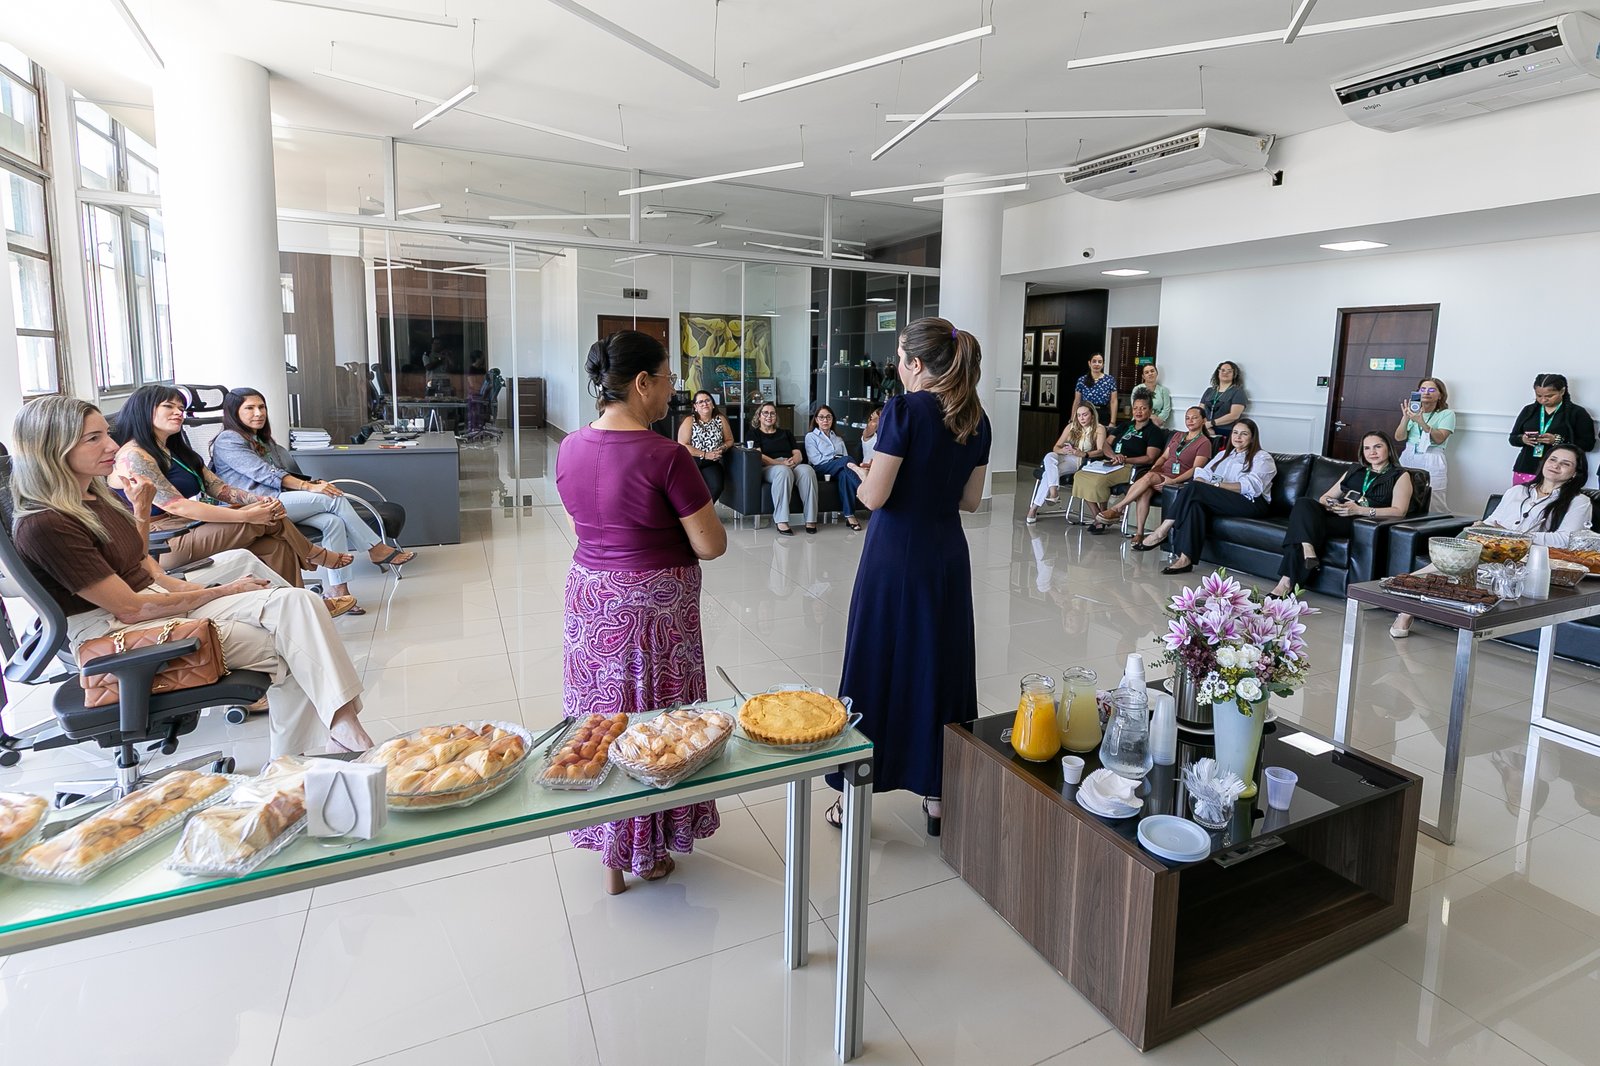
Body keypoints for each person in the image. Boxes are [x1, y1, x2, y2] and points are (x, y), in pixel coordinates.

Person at [10, 396, 372, 758]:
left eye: (107, 434)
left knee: (299, 608)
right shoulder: (47, 524)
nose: (113, 445)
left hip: (150, 609)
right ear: (53, 447)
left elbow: (136, 562)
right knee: (297, 641)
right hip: (117, 634)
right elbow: (130, 610)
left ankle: (322, 746)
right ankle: (315, 750)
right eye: (94, 439)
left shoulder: (93, 495)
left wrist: (138, 511)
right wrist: (220, 591)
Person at [555, 331, 728, 895]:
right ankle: (646, 847)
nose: (673, 390)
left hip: (590, 596)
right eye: (669, 378)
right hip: (651, 608)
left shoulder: (569, 447)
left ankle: (610, 847)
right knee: (654, 722)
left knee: (603, 715)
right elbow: (710, 544)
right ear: (642, 383)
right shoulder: (666, 456)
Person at [826, 317, 990, 837]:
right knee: (940, 665)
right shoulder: (976, 418)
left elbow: (874, 498)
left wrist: (860, 476)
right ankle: (940, 795)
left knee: (878, 663)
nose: (897, 365)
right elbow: (969, 500)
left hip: (896, 555)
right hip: (945, 554)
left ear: (916, 365)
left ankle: (855, 799)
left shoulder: (906, 409)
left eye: (901, 356)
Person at [108, 385, 359, 615]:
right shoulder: (133, 456)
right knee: (260, 519)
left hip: (186, 527)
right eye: (169, 407)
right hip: (161, 542)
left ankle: (300, 608)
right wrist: (246, 515)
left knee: (276, 545)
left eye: (181, 408)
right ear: (144, 410)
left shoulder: (176, 451)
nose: (178, 413)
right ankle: (315, 555)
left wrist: (260, 502)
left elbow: (219, 488)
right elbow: (177, 505)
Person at [211, 388, 417, 614]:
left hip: (279, 500)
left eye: (261, 407)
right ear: (233, 412)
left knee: (332, 522)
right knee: (333, 499)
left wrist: (312, 482)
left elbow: (279, 470)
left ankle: (339, 592)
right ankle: (376, 549)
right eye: (249, 408)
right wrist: (309, 487)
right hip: (255, 506)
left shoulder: (261, 439)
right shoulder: (228, 439)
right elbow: (263, 473)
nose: (258, 413)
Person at [1392, 444, 1593, 636]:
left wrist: (1513, 536)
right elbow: (1491, 522)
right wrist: (1482, 526)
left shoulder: (1578, 501)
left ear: (1575, 473)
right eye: (1553, 459)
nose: (1556, 466)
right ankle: (1408, 597)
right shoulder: (1517, 491)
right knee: (1464, 546)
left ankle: (1405, 595)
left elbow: (1566, 540)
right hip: (1489, 546)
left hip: (1524, 555)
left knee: (1456, 560)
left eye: (1565, 464)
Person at [1269, 431, 1414, 596]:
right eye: (1367, 448)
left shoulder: (1400, 476)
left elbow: (1399, 511)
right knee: (1303, 502)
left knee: (1300, 528)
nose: (1372, 452)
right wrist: (1333, 505)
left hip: (1358, 522)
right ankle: (1306, 547)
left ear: (1389, 448)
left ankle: (1284, 583)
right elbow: (1325, 497)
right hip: (1337, 514)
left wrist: (1359, 510)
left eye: (1377, 447)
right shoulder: (1355, 470)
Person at [1142, 418, 1277, 574]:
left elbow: (1251, 487)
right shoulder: (1223, 455)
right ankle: (1185, 559)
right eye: (1235, 433)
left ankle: (1162, 530)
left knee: (1196, 489)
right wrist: (1203, 483)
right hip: (1225, 498)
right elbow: (1203, 474)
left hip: (1252, 503)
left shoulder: (1262, 458)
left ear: (1252, 438)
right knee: (1195, 503)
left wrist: (1215, 486)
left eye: (1244, 434)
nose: (1238, 437)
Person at [1099, 405, 1214, 545]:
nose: (1190, 421)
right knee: (1145, 491)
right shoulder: (1178, 435)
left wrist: (1173, 481)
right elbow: (1164, 457)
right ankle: (1140, 533)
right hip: (1161, 473)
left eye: (1194, 418)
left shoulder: (1204, 442)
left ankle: (1118, 508)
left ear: (1203, 420)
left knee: (1148, 477)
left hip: (1178, 479)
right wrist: (1155, 467)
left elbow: (1196, 469)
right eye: (1187, 418)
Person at [1077, 397, 1164, 531]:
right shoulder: (1125, 426)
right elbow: (1106, 443)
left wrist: (1125, 459)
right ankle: (1099, 516)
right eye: (1135, 408)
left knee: (1098, 481)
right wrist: (1114, 456)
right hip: (1110, 462)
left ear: (1150, 410)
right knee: (1080, 475)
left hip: (1130, 467)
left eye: (1143, 408)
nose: (1138, 411)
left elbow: (1149, 458)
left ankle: (1101, 520)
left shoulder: (1154, 432)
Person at [1508, 373, 1596, 484]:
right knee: (1521, 499)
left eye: (1549, 396)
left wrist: (1558, 440)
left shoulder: (1577, 413)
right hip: (1526, 468)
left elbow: (1588, 444)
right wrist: (1523, 439)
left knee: (1555, 501)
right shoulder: (1529, 410)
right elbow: (1513, 438)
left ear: (1562, 391)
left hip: (1559, 472)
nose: (1543, 400)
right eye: (1539, 396)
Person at [1025, 403, 1104, 525]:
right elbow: (1056, 447)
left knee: (1048, 474)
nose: (1081, 418)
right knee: (1049, 456)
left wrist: (1083, 453)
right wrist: (1062, 450)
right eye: (1079, 415)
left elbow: (1100, 451)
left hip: (1079, 460)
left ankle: (1034, 508)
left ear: (1092, 416)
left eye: (1085, 415)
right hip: (1065, 455)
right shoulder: (1071, 427)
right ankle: (1053, 491)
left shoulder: (1099, 428)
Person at [750, 401, 818, 535]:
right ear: (759, 416)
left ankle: (810, 519)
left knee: (807, 471)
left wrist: (794, 461)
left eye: (772, 413)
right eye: (765, 413)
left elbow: (797, 453)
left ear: (776, 417)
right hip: (770, 467)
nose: (769, 416)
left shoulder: (786, 433)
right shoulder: (754, 434)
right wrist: (781, 464)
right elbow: (759, 455)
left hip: (790, 463)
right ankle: (781, 520)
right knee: (783, 471)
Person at [1393, 377, 1455, 513]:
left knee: (1434, 499)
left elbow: (1440, 439)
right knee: (1404, 494)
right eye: (1423, 389)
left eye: (1432, 390)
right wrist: (1406, 418)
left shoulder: (1447, 414)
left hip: (1432, 455)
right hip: (1409, 454)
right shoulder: (1412, 412)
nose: (1426, 392)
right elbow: (1399, 437)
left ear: (1440, 395)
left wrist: (1421, 422)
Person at [804, 404, 863, 531]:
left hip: (839, 468)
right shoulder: (811, 437)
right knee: (845, 461)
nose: (825, 420)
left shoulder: (838, 438)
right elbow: (816, 460)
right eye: (821, 417)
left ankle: (849, 515)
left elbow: (846, 460)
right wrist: (836, 460)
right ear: (816, 420)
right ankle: (862, 487)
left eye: (828, 417)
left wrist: (840, 462)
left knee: (844, 475)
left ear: (832, 420)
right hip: (820, 469)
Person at [676, 389, 734, 502]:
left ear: (712, 404)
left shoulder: (720, 419)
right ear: (695, 407)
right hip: (691, 460)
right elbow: (683, 445)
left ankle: (705, 514)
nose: (704, 404)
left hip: (712, 462)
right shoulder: (689, 420)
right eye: (700, 402)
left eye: (707, 400)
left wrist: (722, 448)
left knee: (716, 487)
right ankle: (690, 515)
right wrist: (705, 454)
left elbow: (729, 440)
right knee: (690, 489)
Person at [1199, 361, 1248, 451]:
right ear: (1218, 373)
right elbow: (1200, 411)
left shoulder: (1237, 392)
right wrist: (1204, 426)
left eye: (1229, 371)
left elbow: (1234, 415)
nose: (1225, 373)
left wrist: (1211, 424)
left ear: (1234, 374)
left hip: (1226, 432)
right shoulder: (1209, 391)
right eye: (1223, 370)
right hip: (1205, 429)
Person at [1071, 352, 1117, 426]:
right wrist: (1072, 419)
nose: (1097, 364)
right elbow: (1077, 401)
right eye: (1094, 361)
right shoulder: (1082, 380)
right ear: (1089, 363)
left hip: (1103, 415)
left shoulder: (1110, 380)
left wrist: (1112, 422)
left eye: (1100, 362)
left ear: (1103, 364)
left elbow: (1113, 401)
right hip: (1085, 414)